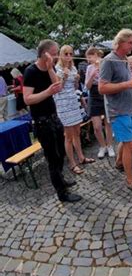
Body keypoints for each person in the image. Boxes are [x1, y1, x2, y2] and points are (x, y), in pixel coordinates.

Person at [23, 39, 81, 202]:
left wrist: (50, 69)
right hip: (41, 122)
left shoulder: (49, 68)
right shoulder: (30, 71)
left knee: (60, 153)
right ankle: (61, 193)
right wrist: (47, 92)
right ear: (44, 54)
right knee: (52, 158)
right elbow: (27, 99)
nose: (56, 57)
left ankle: (61, 180)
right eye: (54, 54)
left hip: (54, 117)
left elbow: (58, 86)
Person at [99, 29, 132, 194]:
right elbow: (102, 88)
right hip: (117, 110)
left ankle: (120, 162)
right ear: (121, 42)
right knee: (130, 144)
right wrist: (127, 84)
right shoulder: (108, 61)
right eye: (131, 42)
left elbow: (125, 81)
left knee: (129, 143)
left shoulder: (125, 60)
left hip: (129, 107)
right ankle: (130, 181)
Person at [54, 45, 95, 175]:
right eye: (66, 54)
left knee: (77, 132)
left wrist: (77, 79)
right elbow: (57, 89)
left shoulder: (73, 67)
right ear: (60, 54)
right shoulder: (57, 69)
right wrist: (64, 77)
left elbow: (75, 87)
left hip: (73, 102)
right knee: (68, 136)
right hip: (63, 104)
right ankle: (72, 163)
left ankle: (81, 157)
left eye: (70, 53)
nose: (68, 56)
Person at [85, 47, 114, 159]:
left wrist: (100, 68)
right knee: (96, 126)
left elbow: (110, 80)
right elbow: (87, 86)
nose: (88, 59)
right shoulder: (89, 68)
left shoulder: (105, 64)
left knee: (108, 122)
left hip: (105, 93)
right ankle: (103, 146)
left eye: (90, 56)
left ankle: (110, 145)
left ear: (96, 55)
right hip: (93, 93)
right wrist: (92, 74)